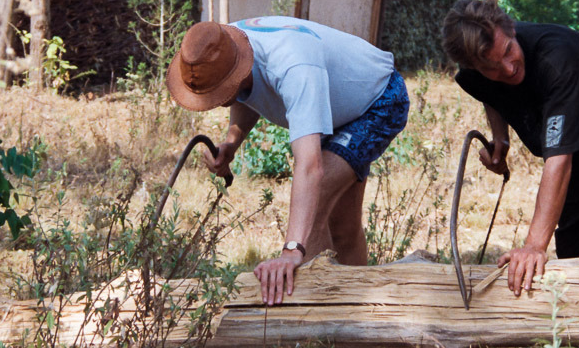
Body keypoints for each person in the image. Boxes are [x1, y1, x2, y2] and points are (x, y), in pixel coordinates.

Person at [167, 17, 409, 305]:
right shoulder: (219, 45)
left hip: (378, 100)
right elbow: (246, 92)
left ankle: (316, 322)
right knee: (342, 227)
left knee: (317, 200)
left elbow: (309, 167)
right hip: (335, 106)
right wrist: (232, 143)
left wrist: (292, 250)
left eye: (220, 94)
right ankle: (355, 314)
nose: (219, 101)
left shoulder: (293, 66)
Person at [441, 0, 579, 297]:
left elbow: (558, 161)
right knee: (571, 235)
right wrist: (500, 138)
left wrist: (533, 246)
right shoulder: (476, 74)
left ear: (512, 29)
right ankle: (575, 326)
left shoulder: (559, 58)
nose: (507, 69)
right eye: (492, 68)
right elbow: (487, 91)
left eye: (509, 51)